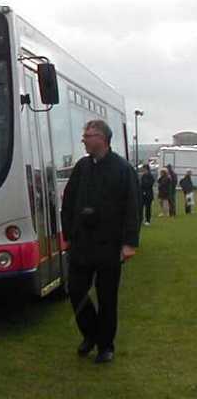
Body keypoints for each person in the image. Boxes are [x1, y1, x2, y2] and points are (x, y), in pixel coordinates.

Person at [61, 120, 139, 364]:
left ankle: (106, 346)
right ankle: (91, 334)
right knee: (75, 290)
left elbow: (132, 208)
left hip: (109, 245)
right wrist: (68, 234)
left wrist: (129, 244)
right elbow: (69, 201)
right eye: (83, 134)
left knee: (107, 298)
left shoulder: (123, 169)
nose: (83, 139)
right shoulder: (82, 167)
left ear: (102, 139)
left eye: (88, 135)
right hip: (82, 243)